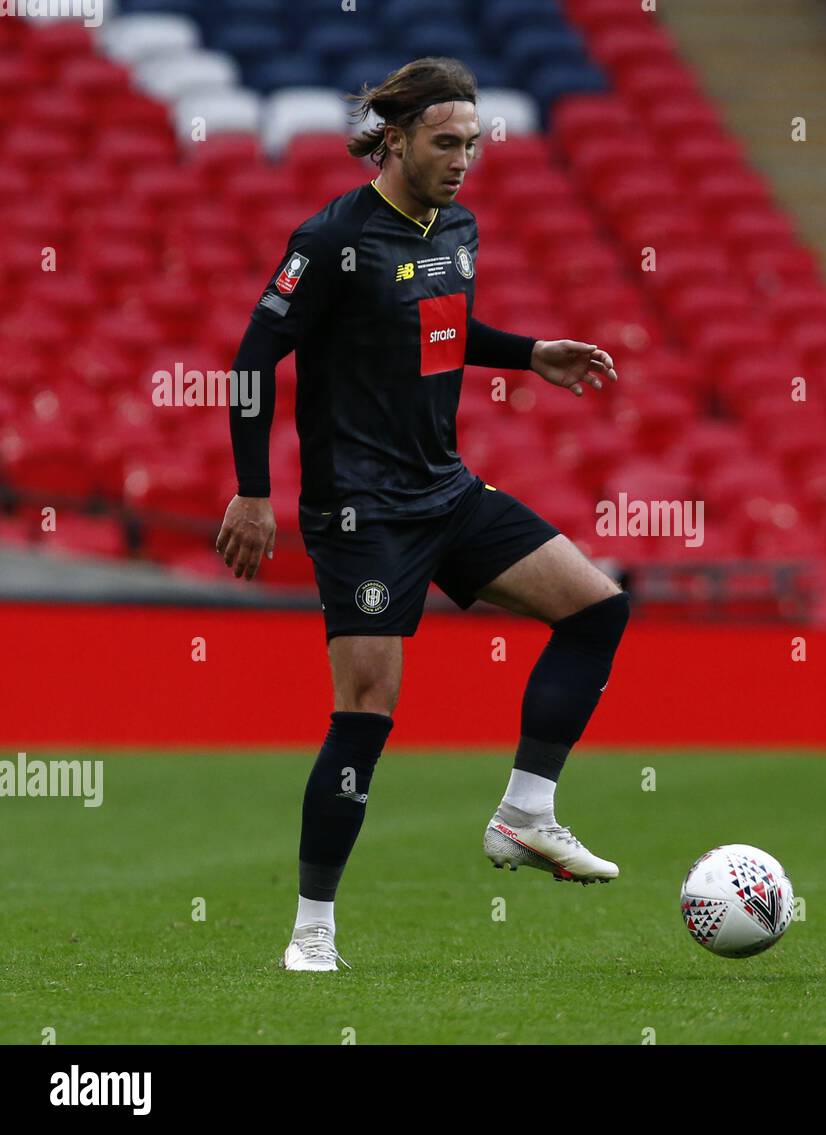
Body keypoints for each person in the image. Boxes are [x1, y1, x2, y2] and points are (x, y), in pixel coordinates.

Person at [215, 58, 631, 973]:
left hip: (445, 489)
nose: (463, 161)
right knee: (366, 712)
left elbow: (436, 327)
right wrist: (254, 489)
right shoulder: (330, 241)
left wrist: (530, 354)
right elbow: (252, 358)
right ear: (393, 138)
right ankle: (312, 930)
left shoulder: (459, 228)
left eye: (474, 144)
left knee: (598, 605)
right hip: (362, 514)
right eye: (446, 143)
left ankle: (525, 814)